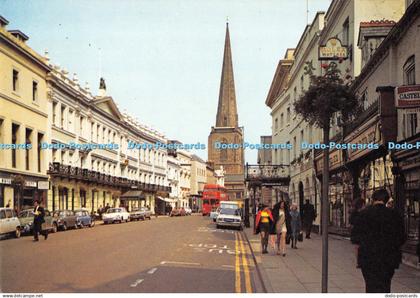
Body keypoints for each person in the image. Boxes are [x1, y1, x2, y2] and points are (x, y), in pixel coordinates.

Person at [351, 189, 406, 293]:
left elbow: (355, 238)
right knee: (385, 285)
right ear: (386, 200)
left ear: (373, 199)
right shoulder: (395, 215)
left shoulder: (363, 214)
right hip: (388, 259)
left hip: (368, 258)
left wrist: (359, 256)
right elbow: (402, 238)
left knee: (370, 285)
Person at [349, 198, 366, 268]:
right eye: (364, 204)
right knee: (358, 247)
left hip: (356, 232)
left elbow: (351, 222)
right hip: (360, 232)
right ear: (361, 205)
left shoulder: (354, 213)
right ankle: (359, 261)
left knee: (357, 247)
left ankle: (358, 262)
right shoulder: (363, 213)